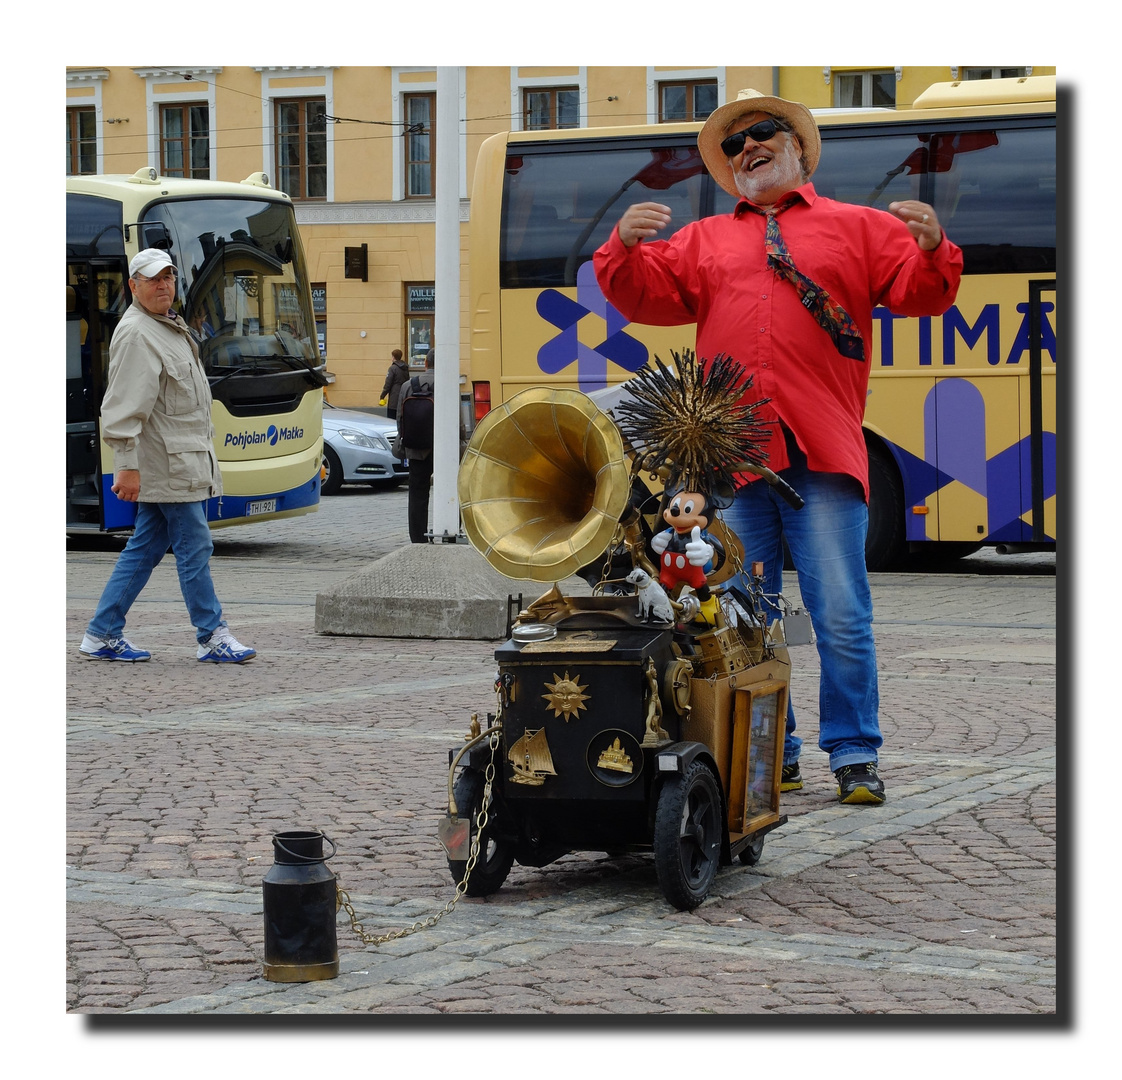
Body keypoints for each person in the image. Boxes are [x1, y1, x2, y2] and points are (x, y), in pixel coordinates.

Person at [594, 89, 963, 805]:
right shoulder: (702, 239)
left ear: (797, 144)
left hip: (821, 455)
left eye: (761, 133)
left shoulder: (857, 228)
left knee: (842, 616)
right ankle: (771, 748)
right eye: (733, 144)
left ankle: (855, 754)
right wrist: (624, 247)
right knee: (740, 623)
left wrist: (930, 249)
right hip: (730, 465)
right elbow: (645, 299)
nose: (746, 149)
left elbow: (921, 292)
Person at [79, 248, 256, 664]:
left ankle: (102, 632)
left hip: (178, 461)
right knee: (196, 545)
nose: (163, 285)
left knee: (144, 548)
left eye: (169, 278)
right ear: (133, 286)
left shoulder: (168, 327)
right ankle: (211, 634)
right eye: (153, 279)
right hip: (165, 465)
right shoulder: (139, 333)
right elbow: (121, 409)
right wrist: (126, 466)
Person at [393, 351, 436, 544]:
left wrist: (405, 440)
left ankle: (418, 537)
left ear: (426, 363)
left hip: (416, 447)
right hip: (442, 449)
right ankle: (448, 530)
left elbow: (400, 418)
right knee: (451, 490)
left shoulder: (408, 386)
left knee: (417, 492)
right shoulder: (448, 383)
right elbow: (458, 419)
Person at [379, 348, 409, 419]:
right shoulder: (405, 368)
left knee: (391, 418)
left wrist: (382, 396)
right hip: (403, 395)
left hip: (394, 397)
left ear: (393, 357)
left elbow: (388, 384)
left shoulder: (392, 368)